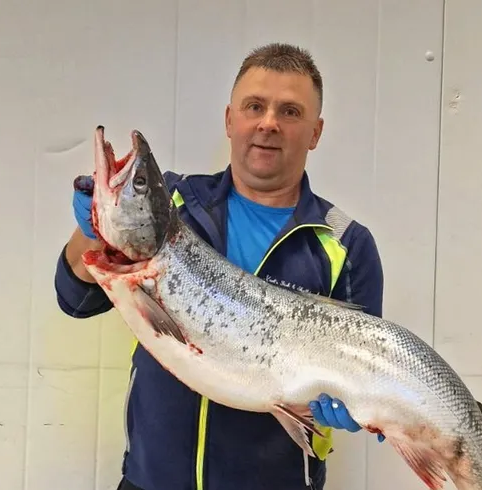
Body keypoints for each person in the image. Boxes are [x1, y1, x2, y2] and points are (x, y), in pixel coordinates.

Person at [54, 42, 385, 490]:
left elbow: (364, 373)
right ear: (231, 119)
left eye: (290, 111)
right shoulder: (172, 204)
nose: (268, 122)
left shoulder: (345, 243)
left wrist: (355, 404)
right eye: (255, 106)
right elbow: (75, 298)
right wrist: (94, 229)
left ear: (315, 132)